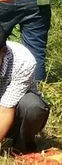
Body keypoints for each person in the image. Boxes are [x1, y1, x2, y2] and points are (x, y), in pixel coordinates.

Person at [0, 23, 50, 153]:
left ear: (3, 53)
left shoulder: (22, 60)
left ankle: (22, 149)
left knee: (33, 106)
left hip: (13, 110)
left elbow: (5, 109)